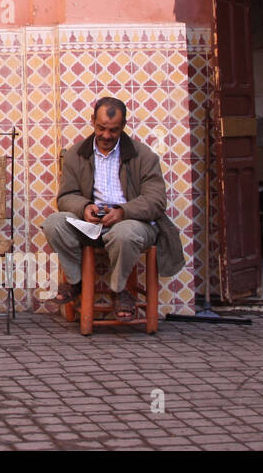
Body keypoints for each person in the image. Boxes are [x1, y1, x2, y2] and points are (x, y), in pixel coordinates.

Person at [43, 97, 184, 321]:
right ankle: (76, 282)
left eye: (113, 130)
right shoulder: (76, 154)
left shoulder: (144, 156)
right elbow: (66, 197)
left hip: (133, 224)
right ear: (92, 122)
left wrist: (123, 212)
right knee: (53, 223)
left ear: (124, 126)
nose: (106, 136)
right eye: (101, 128)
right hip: (92, 225)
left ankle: (119, 291)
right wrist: (85, 207)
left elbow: (157, 201)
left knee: (124, 233)